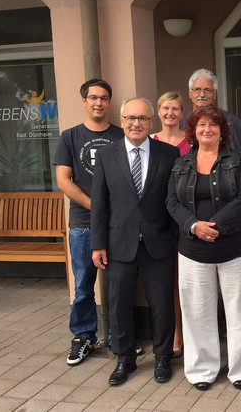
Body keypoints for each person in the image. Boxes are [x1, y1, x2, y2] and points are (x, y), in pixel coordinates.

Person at [166, 105, 241, 391]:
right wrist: (195, 226)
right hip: (194, 250)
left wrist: (216, 225)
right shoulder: (182, 162)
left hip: (237, 247)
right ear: (193, 131)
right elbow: (171, 200)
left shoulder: (236, 159)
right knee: (197, 312)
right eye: (201, 125)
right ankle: (201, 371)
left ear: (222, 131)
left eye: (213, 125)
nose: (207, 129)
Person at [91, 97, 179, 386]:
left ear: (151, 122)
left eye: (142, 118)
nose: (136, 124)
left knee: (162, 302)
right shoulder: (107, 155)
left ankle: (164, 356)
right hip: (118, 243)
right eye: (130, 118)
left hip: (159, 241)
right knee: (118, 304)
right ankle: (124, 358)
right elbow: (99, 205)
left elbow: (175, 200)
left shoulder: (169, 154)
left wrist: (177, 238)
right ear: (122, 121)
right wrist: (98, 244)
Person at [54, 79, 124, 366]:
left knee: (121, 282)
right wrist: (96, 207)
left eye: (104, 98)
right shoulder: (70, 137)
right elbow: (63, 181)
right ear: (84, 101)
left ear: (109, 102)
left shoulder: (122, 135)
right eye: (93, 97)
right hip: (84, 223)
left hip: (118, 223)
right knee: (84, 284)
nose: (98, 102)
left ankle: (120, 338)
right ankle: (83, 337)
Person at [152, 91, 188, 358]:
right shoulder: (150, 141)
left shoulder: (192, 140)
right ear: (158, 111)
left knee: (188, 281)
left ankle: (191, 334)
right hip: (159, 219)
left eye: (175, 108)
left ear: (182, 112)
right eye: (165, 108)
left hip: (186, 217)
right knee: (170, 281)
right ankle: (176, 333)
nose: (170, 113)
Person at [179, 68, 241, 155]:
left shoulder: (233, 122)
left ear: (214, 94)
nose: (202, 94)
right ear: (190, 93)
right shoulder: (180, 123)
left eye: (207, 90)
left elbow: (240, 159)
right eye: (197, 89)